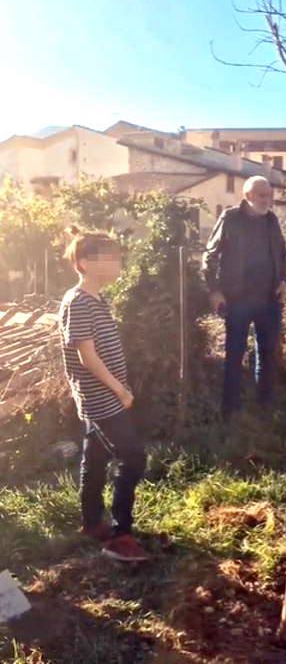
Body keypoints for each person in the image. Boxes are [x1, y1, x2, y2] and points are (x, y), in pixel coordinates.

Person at [58, 226, 149, 562]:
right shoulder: (78, 301)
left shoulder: (98, 298)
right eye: (109, 258)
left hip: (105, 395)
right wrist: (120, 390)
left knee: (94, 457)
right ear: (84, 263)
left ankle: (91, 521)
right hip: (100, 397)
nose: (117, 262)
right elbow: (87, 356)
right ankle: (119, 536)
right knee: (133, 457)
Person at [202, 176, 286, 416]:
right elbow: (210, 256)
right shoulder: (230, 218)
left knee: (268, 354)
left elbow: (282, 254)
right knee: (234, 354)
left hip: (269, 300)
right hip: (237, 299)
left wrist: (283, 281)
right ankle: (230, 410)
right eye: (261, 195)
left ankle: (265, 407)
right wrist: (214, 290)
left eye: (269, 195)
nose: (266, 199)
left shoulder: (272, 220)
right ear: (247, 196)